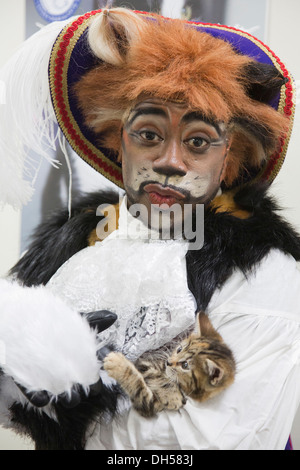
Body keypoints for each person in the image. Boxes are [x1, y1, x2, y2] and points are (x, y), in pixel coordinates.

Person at [0, 7, 299, 450]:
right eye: (148, 135)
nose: (170, 163)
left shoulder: (263, 270)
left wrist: (78, 406)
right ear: (118, 140)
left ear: (227, 155)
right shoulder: (74, 248)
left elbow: (213, 444)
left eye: (197, 142)